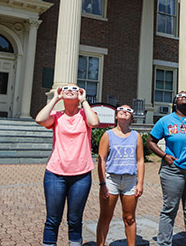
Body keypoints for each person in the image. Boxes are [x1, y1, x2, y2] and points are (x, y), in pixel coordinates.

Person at [35, 84, 99, 246]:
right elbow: (40, 119)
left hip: (81, 176)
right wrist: (55, 98)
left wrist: (84, 101)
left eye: (75, 88)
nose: (70, 90)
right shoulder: (56, 116)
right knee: (52, 219)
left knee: (75, 219)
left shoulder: (85, 115)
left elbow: (94, 123)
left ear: (80, 94)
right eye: (65, 88)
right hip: (55, 174)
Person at [147, 91, 186, 246]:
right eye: (180, 95)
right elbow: (151, 141)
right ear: (174, 102)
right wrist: (164, 155)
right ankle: (164, 243)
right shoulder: (165, 121)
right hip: (172, 170)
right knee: (169, 209)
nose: (184, 96)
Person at [96, 105, 145, 246]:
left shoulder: (136, 136)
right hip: (112, 180)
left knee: (129, 218)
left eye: (129, 110)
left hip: (130, 181)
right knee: (105, 217)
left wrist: (140, 183)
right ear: (116, 116)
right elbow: (102, 160)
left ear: (131, 117)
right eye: (121, 109)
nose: (125, 111)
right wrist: (103, 183)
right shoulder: (108, 135)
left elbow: (140, 160)